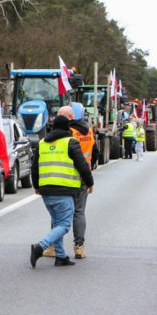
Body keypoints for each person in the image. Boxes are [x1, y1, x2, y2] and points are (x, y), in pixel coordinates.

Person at [30, 115, 94, 268]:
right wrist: (89, 183)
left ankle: (60, 257)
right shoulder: (70, 142)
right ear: (67, 128)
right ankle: (39, 247)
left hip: (46, 191)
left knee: (57, 223)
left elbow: (34, 167)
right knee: (64, 225)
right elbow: (82, 165)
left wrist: (37, 186)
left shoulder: (42, 143)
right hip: (64, 190)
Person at [42, 106, 99, 259]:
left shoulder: (67, 133)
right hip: (83, 176)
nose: (57, 119)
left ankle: (53, 247)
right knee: (79, 212)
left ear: (67, 116)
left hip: (66, 176)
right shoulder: (88, 130)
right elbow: (95, 152)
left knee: (58, 214)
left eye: (60, 115)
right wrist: (89, 174)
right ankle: (79, 247)